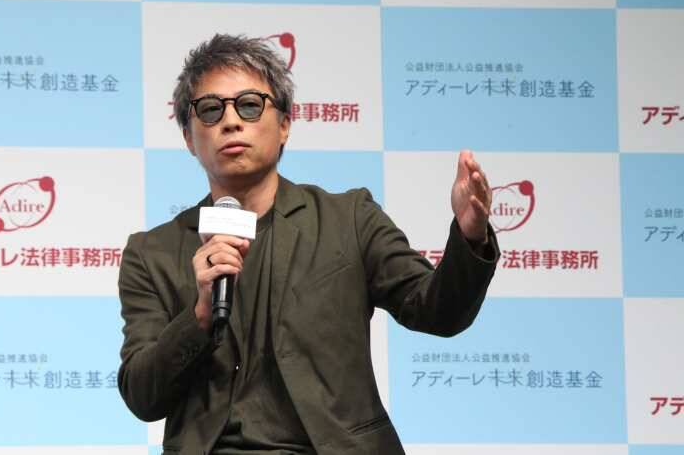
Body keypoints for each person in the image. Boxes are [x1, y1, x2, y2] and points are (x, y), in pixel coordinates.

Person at [117, 34, 500, 455]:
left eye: (249, 105)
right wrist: (200, 316)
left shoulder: (349, 218)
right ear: (189, 138)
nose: (230, 122)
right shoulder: (152, 253)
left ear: (284, 124)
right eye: (210, 109)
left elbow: (438, 312)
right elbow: (142, 395)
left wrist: (471, 234)